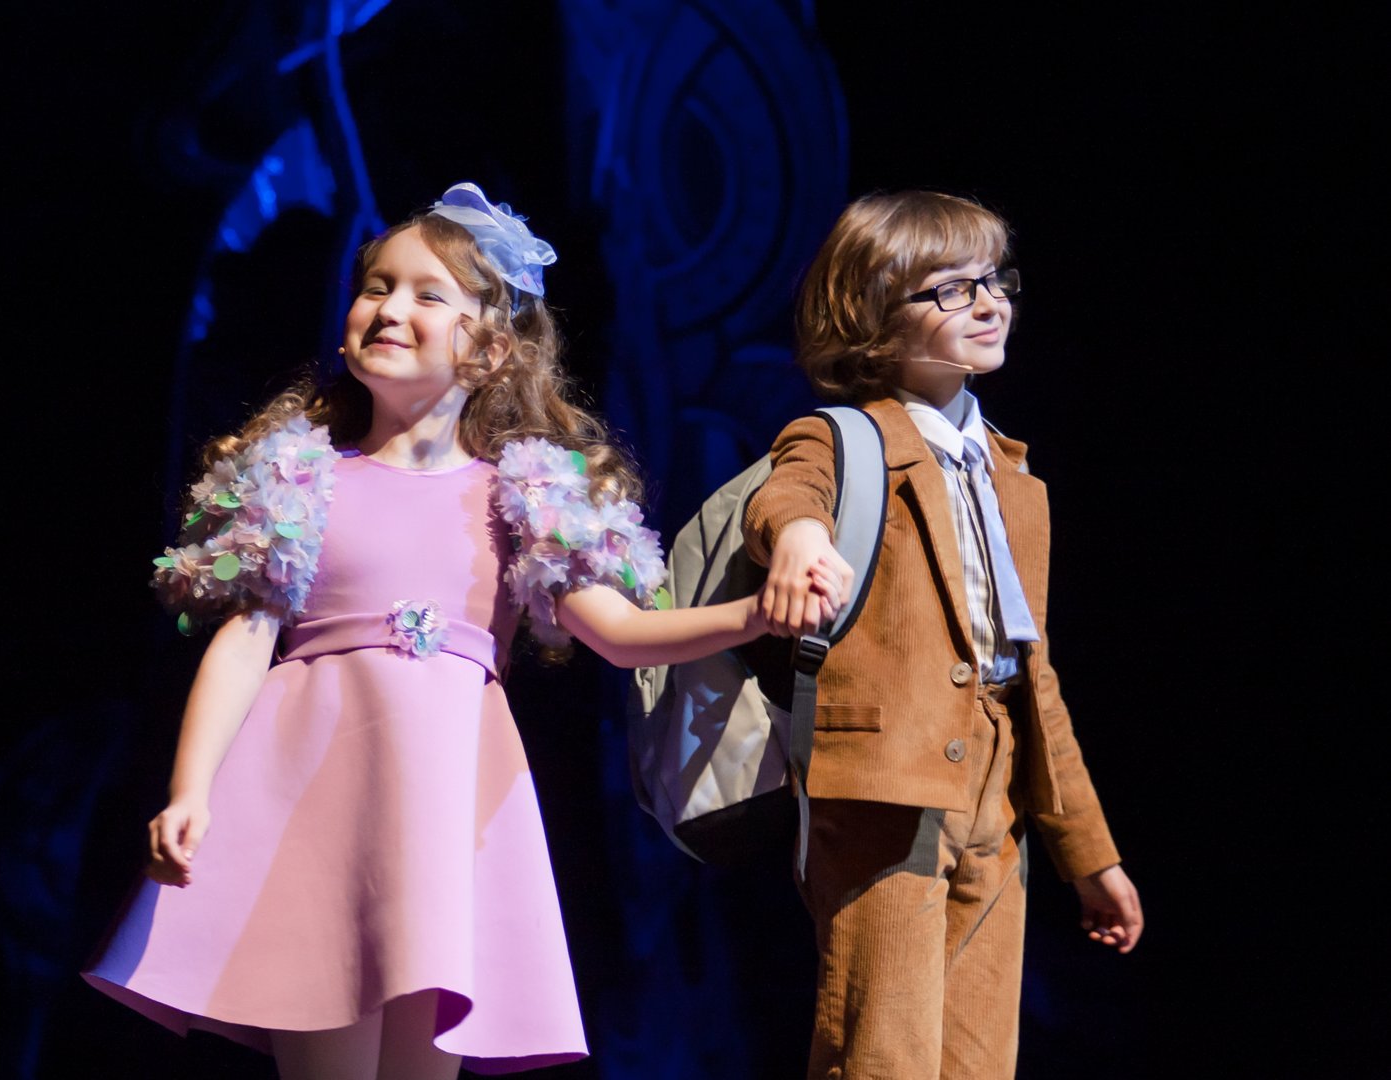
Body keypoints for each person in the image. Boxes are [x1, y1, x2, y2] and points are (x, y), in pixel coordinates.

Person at [84, 182, 841, 1080]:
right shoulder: (301, 477)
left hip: (444, 806)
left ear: (488, 349)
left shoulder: (521, 493)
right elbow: (245, 642)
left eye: (427, 294)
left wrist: (752, 616)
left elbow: (617, 632)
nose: (389, 308)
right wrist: (191, 790)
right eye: (376, 286)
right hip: (310, 794)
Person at [743, 190, 1144, 1079]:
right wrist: (799, 537)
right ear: (873, 313)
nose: (989, 303)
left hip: (996, 796)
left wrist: (1089, 854)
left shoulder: (1007, 470)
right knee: (881, 1053)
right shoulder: (845, 437)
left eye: (994, 281)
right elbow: (788, 493)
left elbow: (1033, 677)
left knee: (977, 1059)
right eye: (953, 289)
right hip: (886, 788)